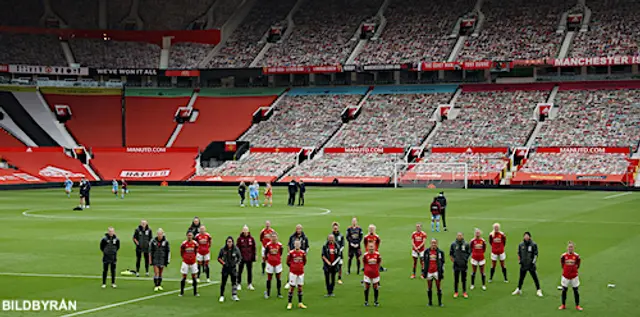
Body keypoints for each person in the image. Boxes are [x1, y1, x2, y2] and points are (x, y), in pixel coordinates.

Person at [512, 231, 542, 297]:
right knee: (521, 278)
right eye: (525, 236)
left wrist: (533, 262)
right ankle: (519, 289)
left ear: (529, 237)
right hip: (523, 264)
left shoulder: (533, 244)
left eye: (527, 236)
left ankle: (538, 290)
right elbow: (519, 253)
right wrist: (520, 261)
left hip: (531, 265)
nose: (526, 237)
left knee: (535, 278)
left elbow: (536, 254)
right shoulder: (521, 245)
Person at [559, 241, 582, 311]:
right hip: (565, 276)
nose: (570, 248)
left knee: (576, 291)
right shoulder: (563, 256)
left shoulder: (577, 256)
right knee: (564, 290)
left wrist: (574, 270)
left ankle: (577, 305)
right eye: (569, 247)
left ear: (573, 248)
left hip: (574, 276)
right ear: (567, 248)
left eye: (571, 247)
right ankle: (563, 305)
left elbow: (578, 264)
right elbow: (562, 264)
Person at [217, 236, 241, 303]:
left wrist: (235, 263)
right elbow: (219, 258)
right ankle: (222, 295)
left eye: (230, 242)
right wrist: (223, 263)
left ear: (232, 242)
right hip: (225, 268)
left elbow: (239, 257)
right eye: (228, 242)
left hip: (233, 268)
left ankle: (234, 295)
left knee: (234, 282)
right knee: (223, 282)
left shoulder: (236, 249)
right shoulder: (223, 249)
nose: (229, 243)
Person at [423, 238, 445, 307]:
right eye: (432, 243)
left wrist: (441, 271)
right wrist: (424, 272)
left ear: (437, 243)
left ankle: (440, 302)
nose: (433, 244)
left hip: (437, 272)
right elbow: (424, 262)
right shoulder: (426, 251)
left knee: (438, 287)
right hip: (429, 272)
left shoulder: (440, 252)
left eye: (435, 243)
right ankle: (430, 302)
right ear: (430, 243)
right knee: (429, 287)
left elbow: (443, 262)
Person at [286, 239, 307, 310]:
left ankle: (300, 303)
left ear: (300, 245)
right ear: (294, 245)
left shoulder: (302, 253)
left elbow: (304, 261)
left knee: (300, 287)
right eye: (296, 244)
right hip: (293, 272)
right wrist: (293, 267)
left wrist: (299, 266)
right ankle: (289, 303)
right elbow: (287, 262)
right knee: (292, 287)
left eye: (298, 244)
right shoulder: (291, 253)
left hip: (301, 272)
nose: (297, 245)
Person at [450, 232, 471, 298]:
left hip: (463, 264)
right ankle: (456, 292)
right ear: (457, 236)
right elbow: (451, 253)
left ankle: (464, 292)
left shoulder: (466, 244)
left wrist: (465, 259)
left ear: (462, 236)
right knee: (456, 279)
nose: (459, 237)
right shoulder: (453, 244)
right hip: (456, 264)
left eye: (460, 235)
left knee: (464, 279)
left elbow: (469, 252)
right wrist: (453, 260)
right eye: (458, 235)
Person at [264, 232, 284, 299]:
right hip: (270, 264)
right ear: (270, 238)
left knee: (278, 278)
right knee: (269, 278)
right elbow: (265, 253)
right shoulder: (268, 245)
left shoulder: (280, 245)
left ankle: (279, 293)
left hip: (278, 263)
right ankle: (268, 293)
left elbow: (281, 253)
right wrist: (269, 260)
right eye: (272, 237)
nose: (274, 238)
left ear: (277, 237)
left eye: (275, 237)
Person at [236, 225, 256, 291]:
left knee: (249, 271)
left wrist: (254, 256)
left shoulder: (251, 239)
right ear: (242, 231)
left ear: (248, 231)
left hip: (249, 258)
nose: (245, 232)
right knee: (240, 271)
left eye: (246, 230)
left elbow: (253, 248)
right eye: (244, 230)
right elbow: (237, 248)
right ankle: (238, 283)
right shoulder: (239, 239)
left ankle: (249, 284)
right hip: (241, 258)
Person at [179, 231, 199, 297]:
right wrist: (185, 257)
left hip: (193, 262)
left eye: (190, 235)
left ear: (192, 236)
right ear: (186, 236)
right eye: (188, 235)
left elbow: (196, 251)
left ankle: (195, 292)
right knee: (184, 277)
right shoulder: (184, 244)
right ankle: (181, 292)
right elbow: (181, 252)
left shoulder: (195, 243)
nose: (189, 236)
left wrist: (193, 257)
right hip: (185, 262)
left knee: (194, 277)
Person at [363, 243, 382, 307]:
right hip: (367, 274)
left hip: (375, 273)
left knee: (375, 287)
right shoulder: (365, 255)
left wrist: (377, 269)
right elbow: (364, 263)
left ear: (374, 247)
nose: (371, 248)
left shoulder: (377, 254)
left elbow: (379, 262)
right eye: (370, 247)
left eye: (372, 247)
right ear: (367, 247)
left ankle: (376, 301)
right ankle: (366, 301)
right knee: (367, 287)